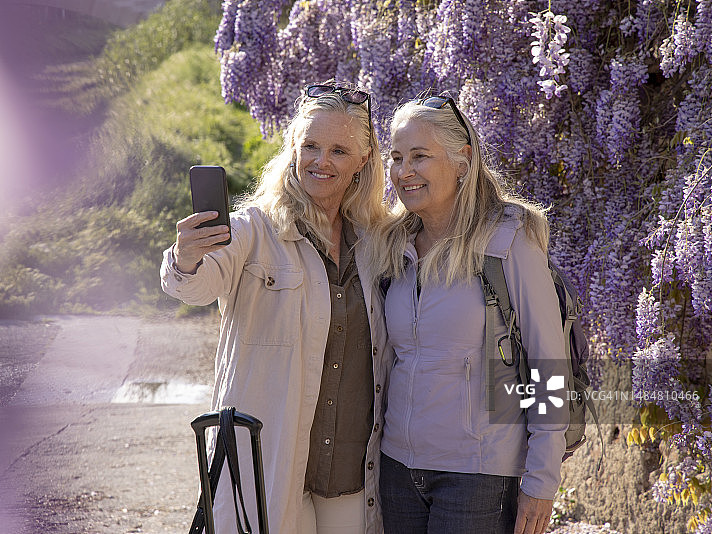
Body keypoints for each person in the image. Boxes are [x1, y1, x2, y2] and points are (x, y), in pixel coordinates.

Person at [160, 83, 393, 534]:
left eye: (339, 151)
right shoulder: (254, 230)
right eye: (310, 146)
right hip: (268, 471)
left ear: (363, 161)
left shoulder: (377, 243)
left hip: (350, 476)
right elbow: (197, 284)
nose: (321, 162)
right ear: (292, 146)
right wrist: (186, 257)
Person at [370, 94, 570, 534]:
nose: (404, 172)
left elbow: (549, 367)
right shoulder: (391, 245)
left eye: (420, 156)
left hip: (478, 473)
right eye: (397, 157)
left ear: (463, 160)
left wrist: (542, 480)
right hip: (398, 468)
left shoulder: (509, 239)